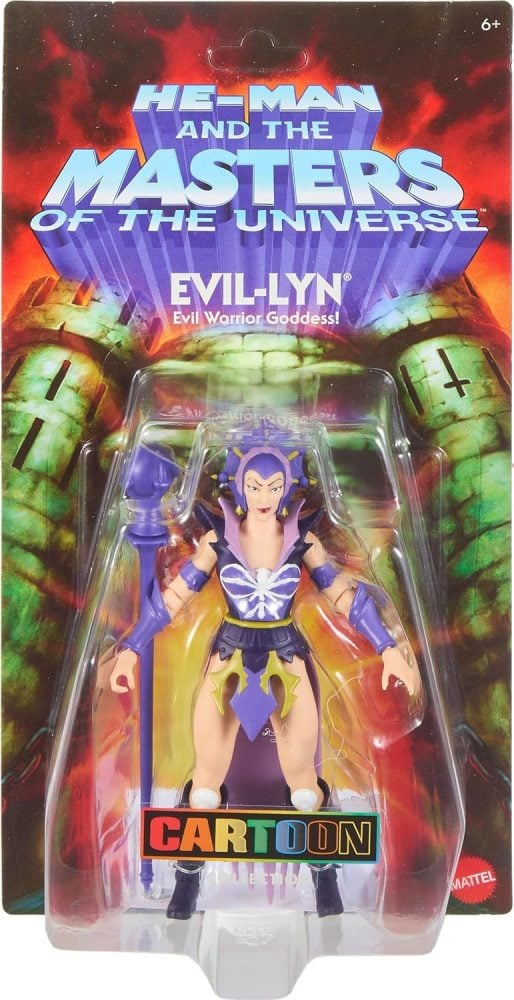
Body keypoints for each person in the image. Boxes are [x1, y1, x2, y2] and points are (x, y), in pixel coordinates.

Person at [106, 443, 421, 919]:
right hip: (229, 658)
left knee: (304, 787)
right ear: (239, 486)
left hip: (285, 657)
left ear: (288, 488)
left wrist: (388, 647)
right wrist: (130, 648)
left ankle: (324, 878)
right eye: (255, 486)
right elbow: (172, 598)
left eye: (274, 487)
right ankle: (187, 883)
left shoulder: (301, 540)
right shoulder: (217, 540)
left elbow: (345, 597)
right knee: (205, 788)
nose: (264, 496)